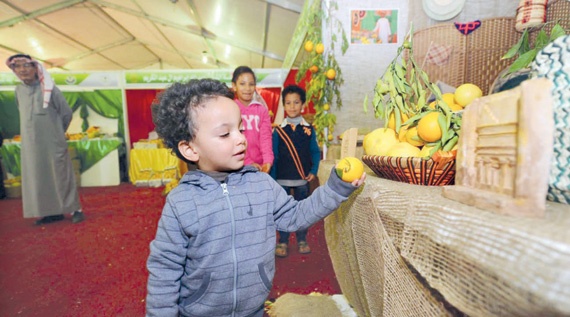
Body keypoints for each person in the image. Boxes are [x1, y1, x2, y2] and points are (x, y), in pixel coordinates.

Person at [146, 78, 365, 317]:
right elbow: (165, 269)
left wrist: (335, 189)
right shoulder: (181, 202)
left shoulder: (261, 184)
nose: (241, 138)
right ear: (190, 149)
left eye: (240, 129)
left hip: (253, 310)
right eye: (224, 134)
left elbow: (296, 216)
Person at [5, 54, 84, 225]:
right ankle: (51, 212)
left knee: (62, 176)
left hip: (53, 143)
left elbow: (66, 113)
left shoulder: (50, 89)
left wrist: (55, 133)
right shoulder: (18, 91)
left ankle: (75, 209)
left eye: (26, 65)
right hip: (31, 146)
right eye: (17, 66)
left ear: (36, 68)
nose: (22, 70)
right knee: (39, 177)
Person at [271, 85, 321, 257]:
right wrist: (273, 179)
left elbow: (315, 151)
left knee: (302, 211)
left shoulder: (309, 130)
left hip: (302, 179)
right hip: (282, 180)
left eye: (296, 102)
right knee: (282, 212)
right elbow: (274, 155)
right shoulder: (278, 131)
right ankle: (282, 241)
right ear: (284, 105)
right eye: (288, 103)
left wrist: (314, 170)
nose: (292, 106)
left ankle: (302, 239)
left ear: (303, 105)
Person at [231, 66, 273, 173]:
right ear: (234, 86)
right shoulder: (231, 109)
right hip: (238, 164)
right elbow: (233, 139)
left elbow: (266, 138)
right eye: (242, 84)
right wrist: (248, 162)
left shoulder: (262, 110)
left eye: (251, 84)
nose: (247, 88)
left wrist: (267, 161)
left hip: (260, 167)